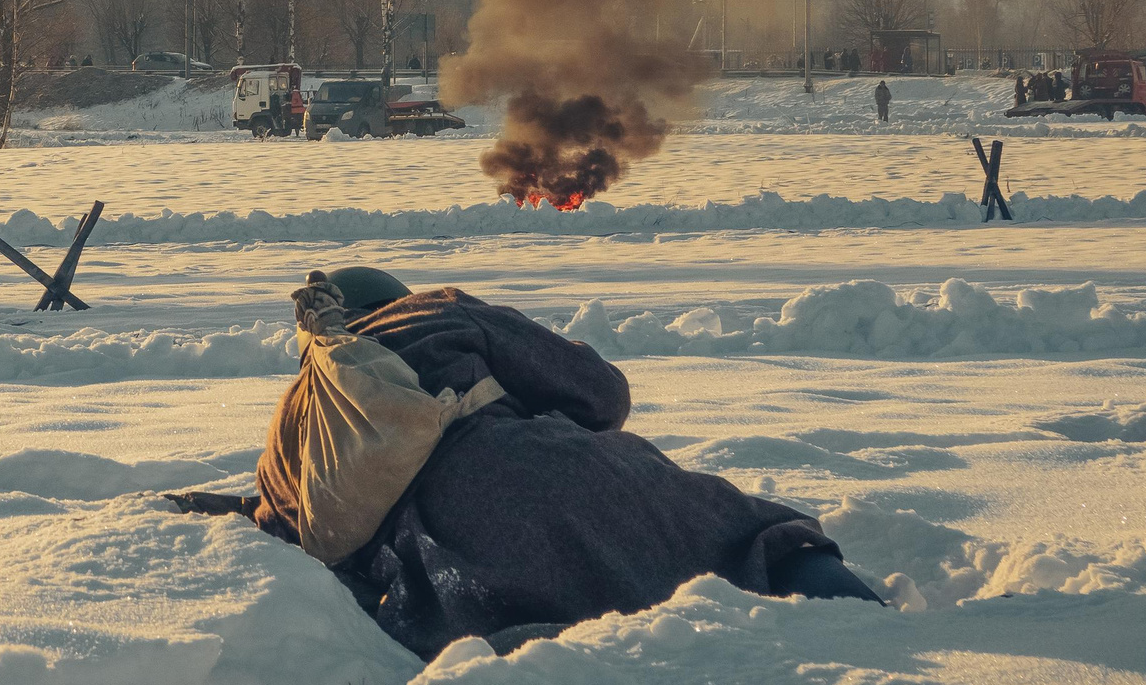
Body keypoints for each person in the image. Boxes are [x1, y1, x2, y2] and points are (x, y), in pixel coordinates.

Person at [247, 267, 881, 657]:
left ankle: (559, 646)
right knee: (749, 538)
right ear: (391, 298)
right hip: (551, 464)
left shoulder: (292, 419)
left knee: (492, 620)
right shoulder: (432, 312)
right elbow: (600, 392)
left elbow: (291, 537)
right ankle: (881, 632)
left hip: (433, 548)